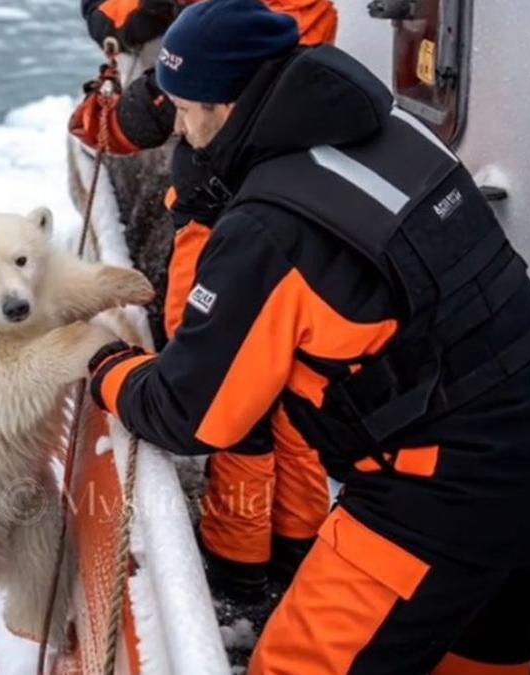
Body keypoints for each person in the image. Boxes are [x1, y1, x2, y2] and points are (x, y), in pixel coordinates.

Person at [85, 0, 530, 673]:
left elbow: (192, 411)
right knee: (484, 650)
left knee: (293, 664)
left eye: (186, 110)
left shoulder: (268, 229)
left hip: (440, 493)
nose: (183, 132)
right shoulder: (394, 132)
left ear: (226, 105)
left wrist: (105, 364)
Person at [71, 0, 340, 600]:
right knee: (293, 400)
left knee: (231, 406)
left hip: (224, 224)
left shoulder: (217, 81)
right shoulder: (314, 90)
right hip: (280, 229)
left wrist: (104, 366)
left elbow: (189, 405)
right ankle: (294, 552)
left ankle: (236, 570)